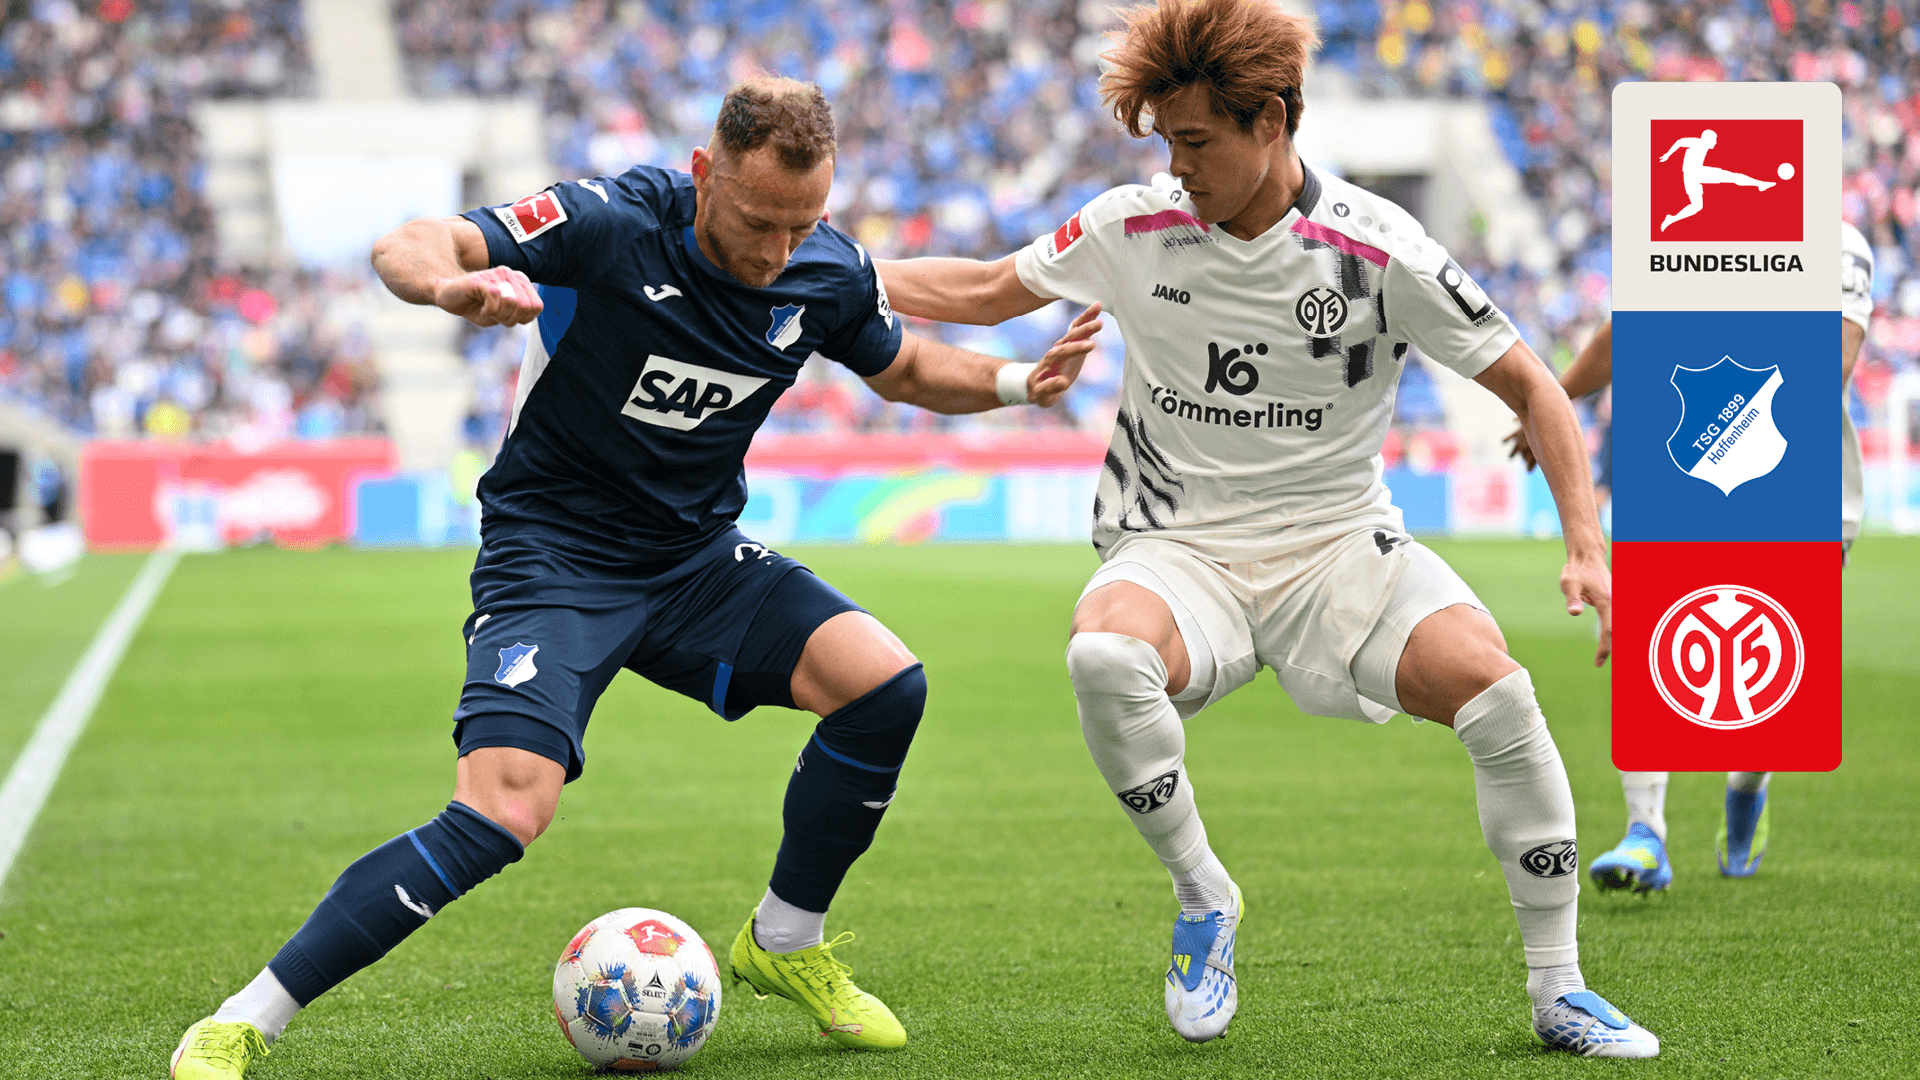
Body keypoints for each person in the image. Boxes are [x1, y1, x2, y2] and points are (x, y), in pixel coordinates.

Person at [170, 75, 1100, 1079]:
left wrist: (1019, 381)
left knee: (883, 684)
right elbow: (412, 241)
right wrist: (451, 288)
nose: (776, 250)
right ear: (704, 173)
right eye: (758, 221)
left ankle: (785, 941)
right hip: (555, 557)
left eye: (802, 224)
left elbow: (905, 368)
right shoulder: (609, 222)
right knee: (504, 808)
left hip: (695, 560)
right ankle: (243, 1021)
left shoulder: (824, 271)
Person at [874, 0, 1657, 1058]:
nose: (1176, 165)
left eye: (1196, 141)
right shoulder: (1129, 226)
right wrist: (829, 263)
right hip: (1177, 546)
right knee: (1104, 655)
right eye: (1166, 140)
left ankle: (1560, 989)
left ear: (1272, 122)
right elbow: (979, 292)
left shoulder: (1379, 249)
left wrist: (1587, 548)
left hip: (1339, 547)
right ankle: (1204, 895)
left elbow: (1535, 387)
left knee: (1500, 694)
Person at [1513, 222, 1875, 891]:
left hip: (1804, 490)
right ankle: (1645, 832)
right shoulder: (1691, 239)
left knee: (1766, 675)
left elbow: (1832, 365)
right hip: (1690, 470)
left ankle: (1747, 791)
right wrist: (1551, 402)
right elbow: (1626, 336)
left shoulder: (1838, 243)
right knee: (1646, 629)